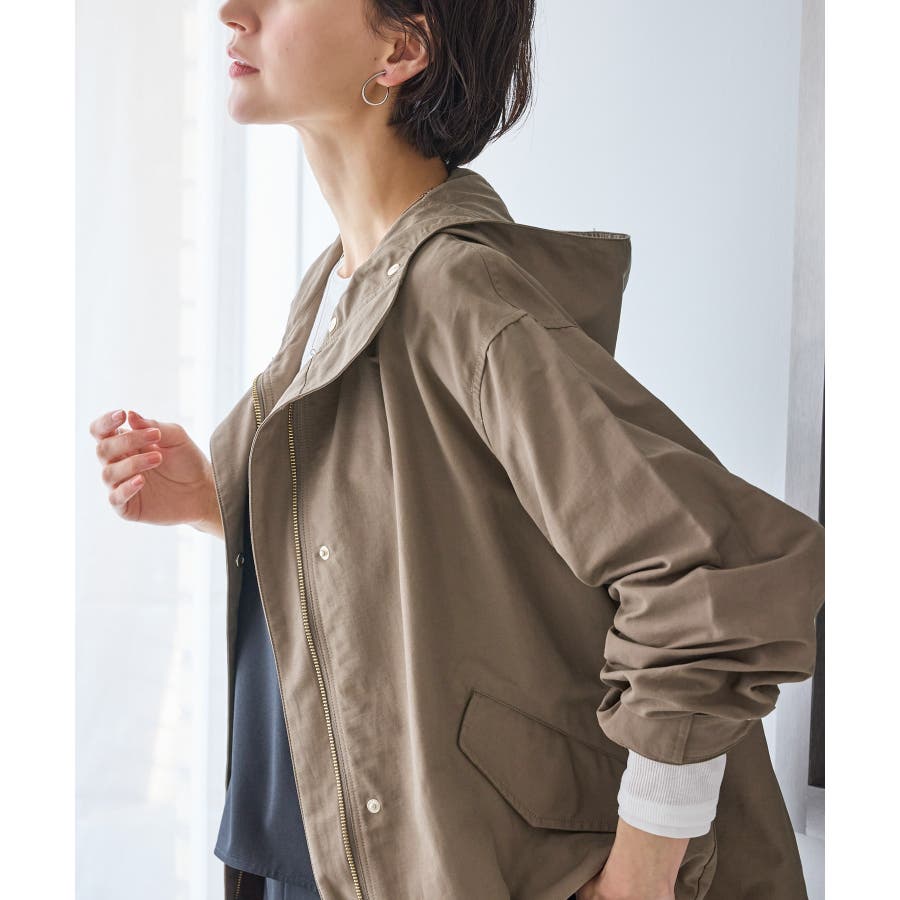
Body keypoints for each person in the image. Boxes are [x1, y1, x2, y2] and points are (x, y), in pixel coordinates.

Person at [89, 2, 824, 899]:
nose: (233, 11)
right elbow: (418, 558)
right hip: (307, 857)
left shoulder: (457, 295)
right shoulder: (339, 283)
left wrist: (638, 879)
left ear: (401, 48)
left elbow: (717, 580)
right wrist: (219, 502)